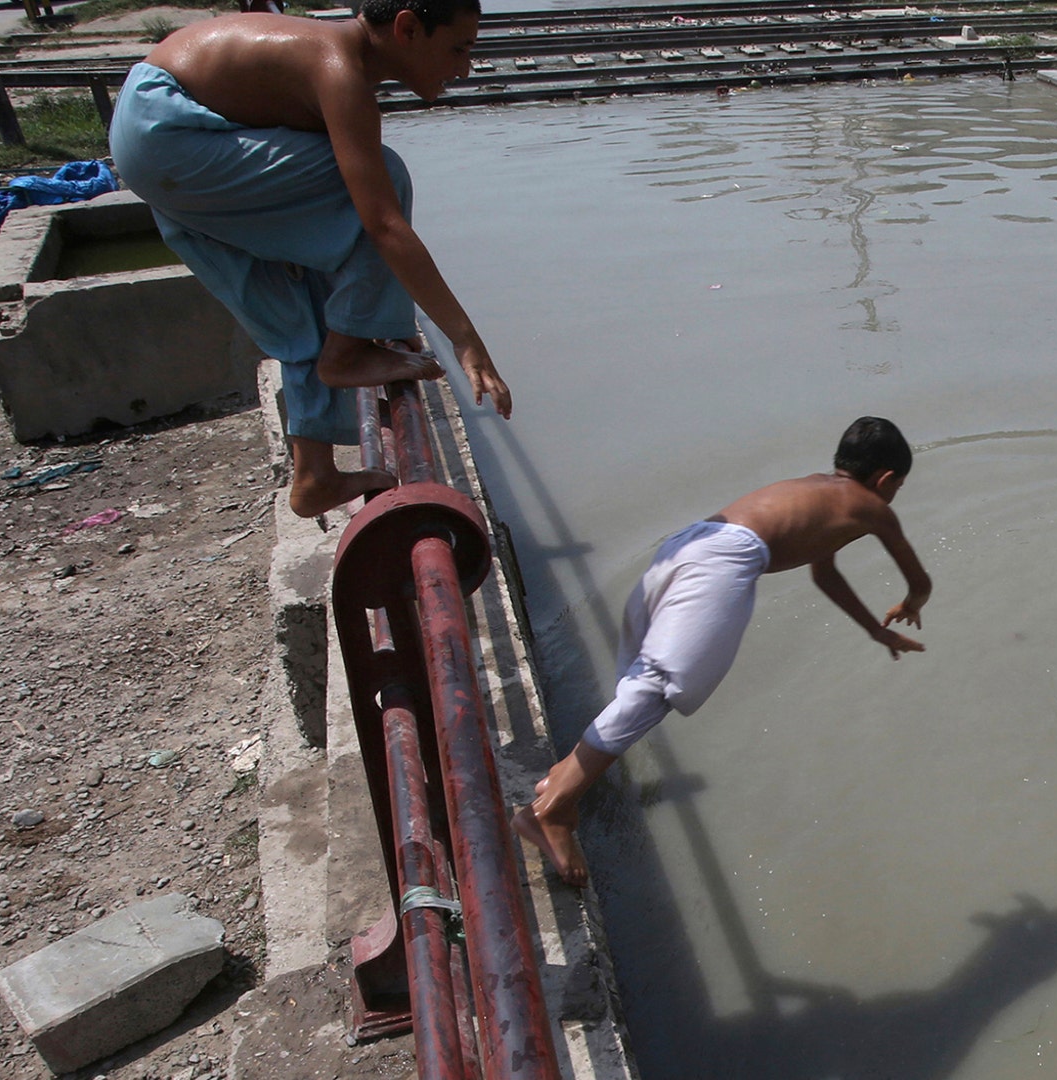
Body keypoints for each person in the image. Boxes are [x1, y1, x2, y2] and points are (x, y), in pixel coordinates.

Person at [107, 2, 511, 518]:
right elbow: (384, 225)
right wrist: (467, 342)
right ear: (407, 28)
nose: (463, 68)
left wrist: (379, 313)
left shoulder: (333, 67)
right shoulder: (339, 71)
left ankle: (314, 475)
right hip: (171, 131)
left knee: (301, 283)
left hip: (153, 136)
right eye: (458, 49)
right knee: (382, 179)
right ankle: (348, 350)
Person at [515, 417, 935, 887]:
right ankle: (553, 808)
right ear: (885, 480)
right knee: (660, 688)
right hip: (729, 558)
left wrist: (874, 633)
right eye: (898, 486)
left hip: (689, 543)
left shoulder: (819, 493)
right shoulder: (872, 506)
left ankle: (560, 776)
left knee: (641, 676)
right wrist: (911, 603)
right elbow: (921, 582)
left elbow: (825, 574)